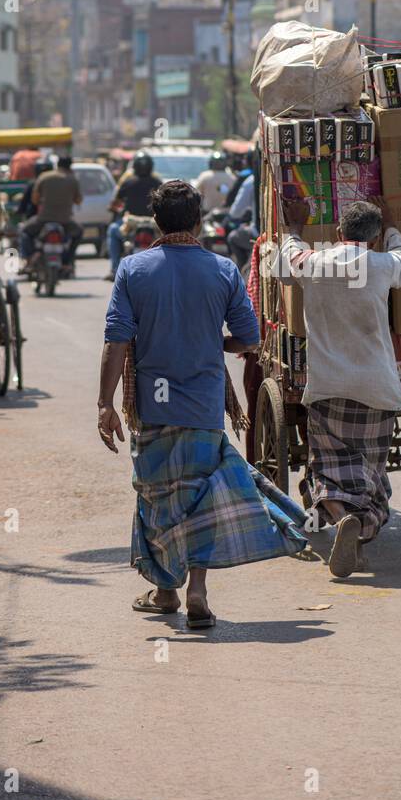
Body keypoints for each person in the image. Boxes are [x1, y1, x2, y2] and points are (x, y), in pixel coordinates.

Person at [99, 179, 307, 627]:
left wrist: (105, 403)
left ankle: (165, 590)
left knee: (158, 499)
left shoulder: (133, 269)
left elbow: (117, 341)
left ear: (156, 221)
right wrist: (214, 342)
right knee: (200, 500)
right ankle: (197, 591)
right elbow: (249, 340)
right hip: (204, 406)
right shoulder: (222, 270)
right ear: (198, 220)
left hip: (154, 408)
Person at [277, 195, 401, 578]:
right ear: (373, 238)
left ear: (337, 233)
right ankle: (360, 524)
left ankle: (341, 520)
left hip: (328, 388)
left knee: (326, 472)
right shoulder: (384, 264)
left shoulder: (314, 263)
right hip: (376, 389)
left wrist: (295, 227)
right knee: (370, 476)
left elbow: (287, 258)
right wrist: (394, 226)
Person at [105, 151, 162, 280]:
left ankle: (114, 269)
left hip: (131, 223)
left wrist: (113, 208)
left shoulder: (128, 182)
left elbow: (116, 202)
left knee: (113, 230)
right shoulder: (157, 182)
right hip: (154, 224)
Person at [19, 154, 83, 267]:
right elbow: (78, 201)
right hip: (65, 220)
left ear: (57, 165)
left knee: (24, 231)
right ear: (70, 166)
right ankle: (67, 261)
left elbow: (34, 200)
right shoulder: (73, 180)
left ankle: (29, 257)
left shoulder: (44, 177)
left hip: (43, 219)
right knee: (79, 232)